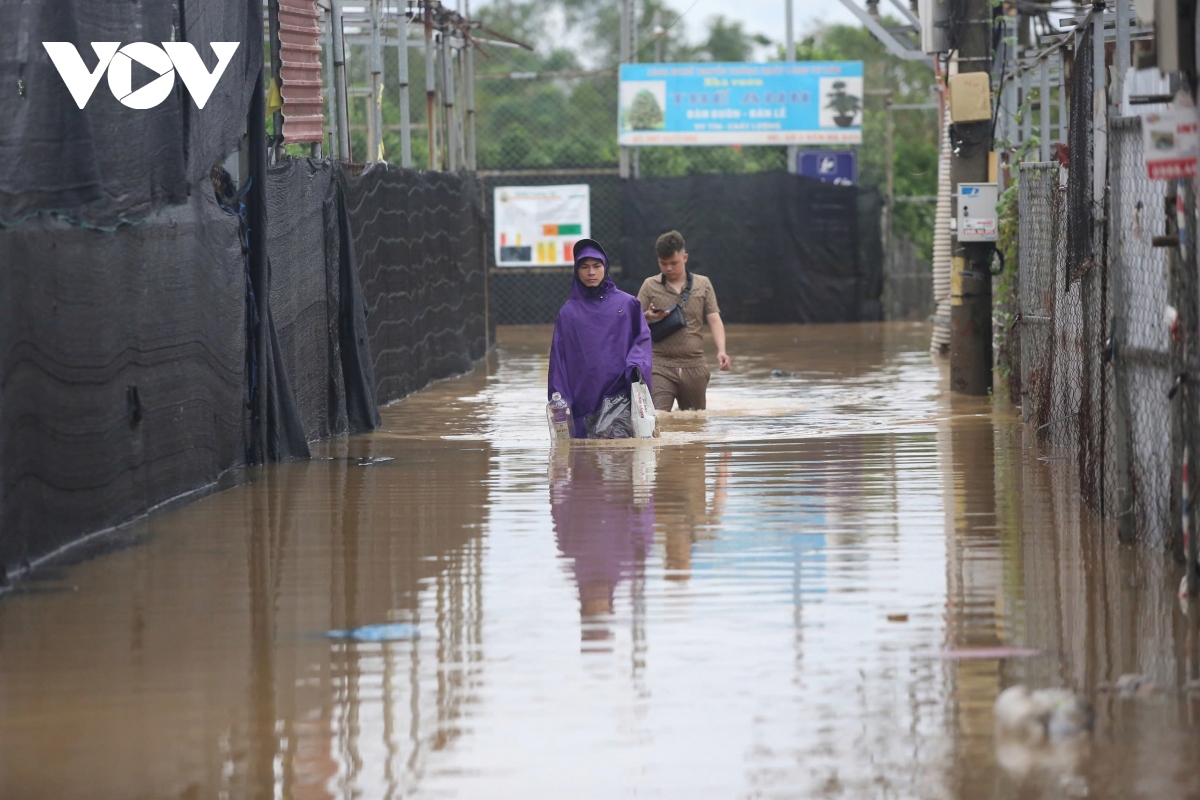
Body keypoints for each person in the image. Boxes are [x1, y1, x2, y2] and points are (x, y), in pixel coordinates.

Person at [548, 238, 653, 438]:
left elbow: (642, 340)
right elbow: (558, 362)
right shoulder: (568, 313)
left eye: (597, 266)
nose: (591, 272)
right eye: (584, 267)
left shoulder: (629, 304)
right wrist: (559, 402)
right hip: (583, 403)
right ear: (576, 271)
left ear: (605, 267)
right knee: (584, 462)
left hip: (619, 398)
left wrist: (636, 366)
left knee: (619, 460)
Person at [637, 230, 730, 412]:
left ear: (685, 257)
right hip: (660, 364)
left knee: (695, 422)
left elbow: (714, 319)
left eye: (674, 263)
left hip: (694, 365)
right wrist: (647, 316)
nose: (669, 268)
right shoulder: (649, 285)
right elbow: (630, 321)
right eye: (663, 263)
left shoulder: (703, 284)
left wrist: (722, 351)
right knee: (658, 418)